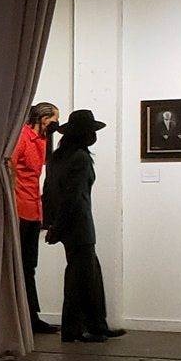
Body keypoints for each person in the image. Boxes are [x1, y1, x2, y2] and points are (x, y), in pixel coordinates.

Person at [44, 109, 126, 344]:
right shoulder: (79, 158)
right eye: (91, 132)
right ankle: (74, 330)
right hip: (77, 224)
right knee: (79, 278)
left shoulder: (59, 157)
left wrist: (52, 223)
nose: (94, 136)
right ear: (83, 135)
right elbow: (74, 197)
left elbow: (49, 191)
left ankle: (97, 325)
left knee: (88, 274)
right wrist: (57, 226)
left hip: (70, 224)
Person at [11, 103, 58, 335]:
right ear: (43, 117)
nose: (55, 125)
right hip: (21, 208)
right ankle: (25, 316)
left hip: (33, 208)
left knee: (30, 265)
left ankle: (31, 316)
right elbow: (10, 167)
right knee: (22, 265)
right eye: (53, 119)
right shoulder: (23, 137)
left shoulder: (41, 141)